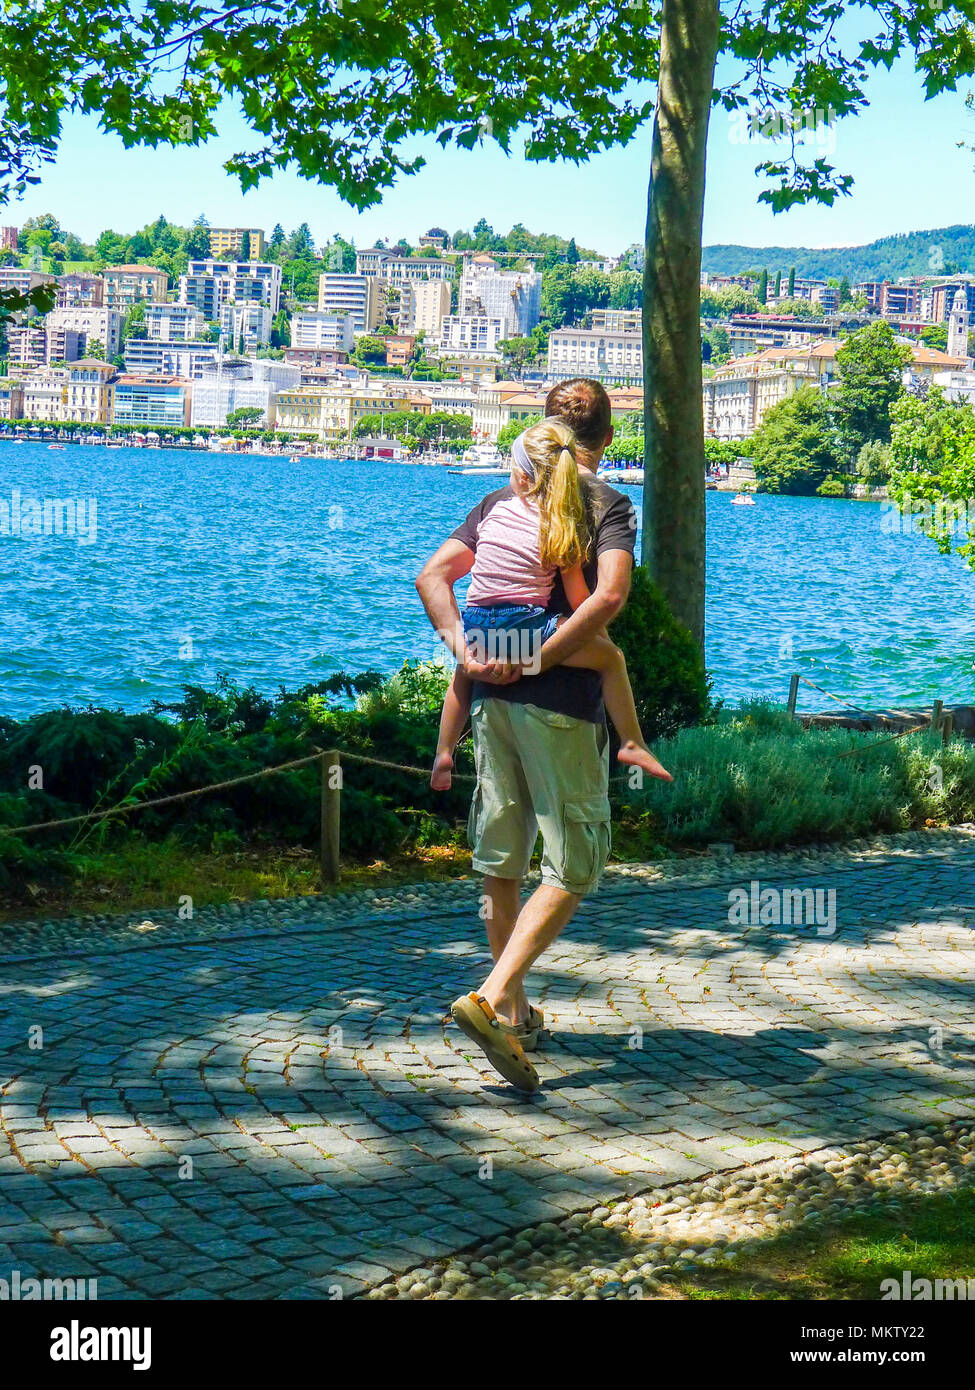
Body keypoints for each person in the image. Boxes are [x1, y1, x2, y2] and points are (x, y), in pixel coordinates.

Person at [416, 378, 656, 1093]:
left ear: (542, 429)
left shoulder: (499, 498)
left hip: (489, 699)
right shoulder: (605, 502)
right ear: (607, 441)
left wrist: (462, 645)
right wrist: (544, 656)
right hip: (559, 706)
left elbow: (433, 574)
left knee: (502, 858)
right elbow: (608, 596)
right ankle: (491, 998)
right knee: (575, 860)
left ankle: (514, 1016)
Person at [429, 416, 672, 792]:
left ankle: (444, 752)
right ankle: (632, 743)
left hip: (477, 627)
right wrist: (592, 636)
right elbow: (581, 600)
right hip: (526, 633)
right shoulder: (560, 524)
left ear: (522, 478)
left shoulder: (493, 511)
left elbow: (432, 577)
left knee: (465, 672)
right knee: (611, 660)